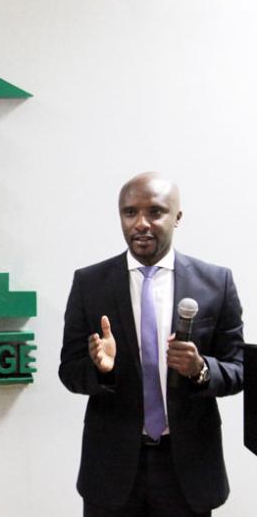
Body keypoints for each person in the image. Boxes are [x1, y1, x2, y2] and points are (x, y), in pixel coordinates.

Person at [59, 172, 244, 516]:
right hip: (112, 470)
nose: (141, 223)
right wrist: (101, 370)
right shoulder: (90, 284)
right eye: (130, 213)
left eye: (155, 212)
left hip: (187, 469)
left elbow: (239, 368)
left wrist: (201, 369)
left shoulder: (216, 282)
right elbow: (69, 372)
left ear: (177, 217)